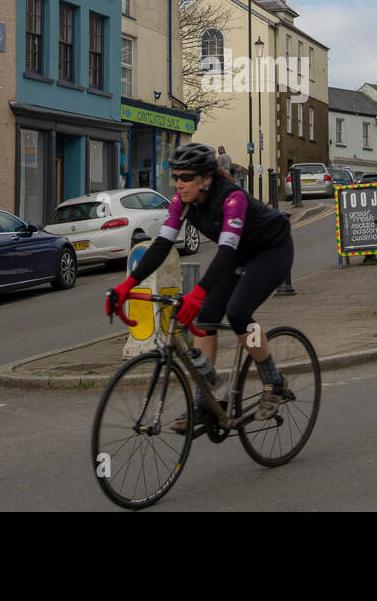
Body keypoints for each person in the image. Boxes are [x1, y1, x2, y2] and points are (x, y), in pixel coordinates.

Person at [106, 142, 293, 429]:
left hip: (271, 250)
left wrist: (198, 291)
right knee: (205, 317)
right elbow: (162, 245)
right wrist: (127, 285)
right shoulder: (183, 203)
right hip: (238, 254)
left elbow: (226, 251)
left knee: (239, 313)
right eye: (176, 177)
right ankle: (203, 402)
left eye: (186, 177)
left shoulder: (232, 198)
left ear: (205, 178)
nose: (179, 184)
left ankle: (273, 381)